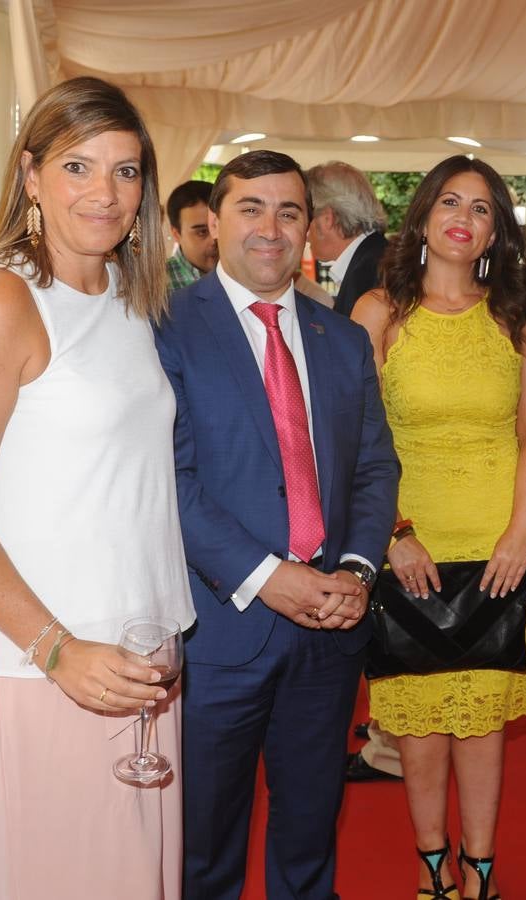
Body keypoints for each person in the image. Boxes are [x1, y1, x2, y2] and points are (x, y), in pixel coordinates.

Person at [0, 76, 195, 899]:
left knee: (134, 879)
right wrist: (57, 649)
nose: (105, 193)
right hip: (48, 659)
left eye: (126, 170)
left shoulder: (126, 293)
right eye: (78, 167)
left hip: (137, 651)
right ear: (30, 176)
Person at [155, 148, 400, 900]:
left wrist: (356, 572)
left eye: (289, 211)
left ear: (308, 227)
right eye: (251, 209)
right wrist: (270, 578)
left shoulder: (342, 339)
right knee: (206, 849)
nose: (271, 227)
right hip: (221, 632)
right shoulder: (164, 330)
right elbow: (171, 482)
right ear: (214, 223)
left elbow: (374, 469)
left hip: (330, 628)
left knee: (308, 836)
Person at [352, 154, 526, 900]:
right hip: (409, 539)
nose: (464, 219)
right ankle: (432, 871)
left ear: (495, 230)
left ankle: (482, 872)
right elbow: (357, 440)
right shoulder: (379, 314)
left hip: (498, 537)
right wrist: (393, 534)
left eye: (482, 209)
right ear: (425, 217)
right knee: (422, 712)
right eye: (451, 203)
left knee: (484, 713)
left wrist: (517, 536)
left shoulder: (513, 315)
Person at [306, 160, 389, 318]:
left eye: (305, 218)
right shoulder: (375, 259)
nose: (304, 233)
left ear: (327, 219)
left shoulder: (372, 271)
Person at [165, 179, 218, 294]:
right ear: (177, 234)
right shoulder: (157, 287)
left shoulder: (247, 274)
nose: (214, 240)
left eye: (219, 227)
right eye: (202, 232)